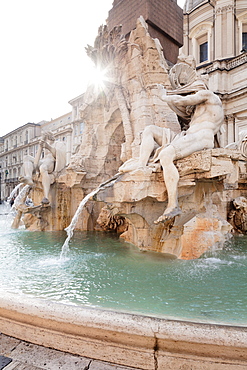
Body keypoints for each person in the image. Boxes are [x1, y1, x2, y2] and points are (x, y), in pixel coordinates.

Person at [20, 132, 66, 205]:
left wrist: (48, 147)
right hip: (43, 160)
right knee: (26, 157)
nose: (45, 138)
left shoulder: (58, 143)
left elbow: (60, 155)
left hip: (51, 162)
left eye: (46, 136)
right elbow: (37, 159)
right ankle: (29, 177)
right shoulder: (44, 146)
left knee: (43, 167)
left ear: (50, 136)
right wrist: (41, 147)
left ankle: (46, 197)